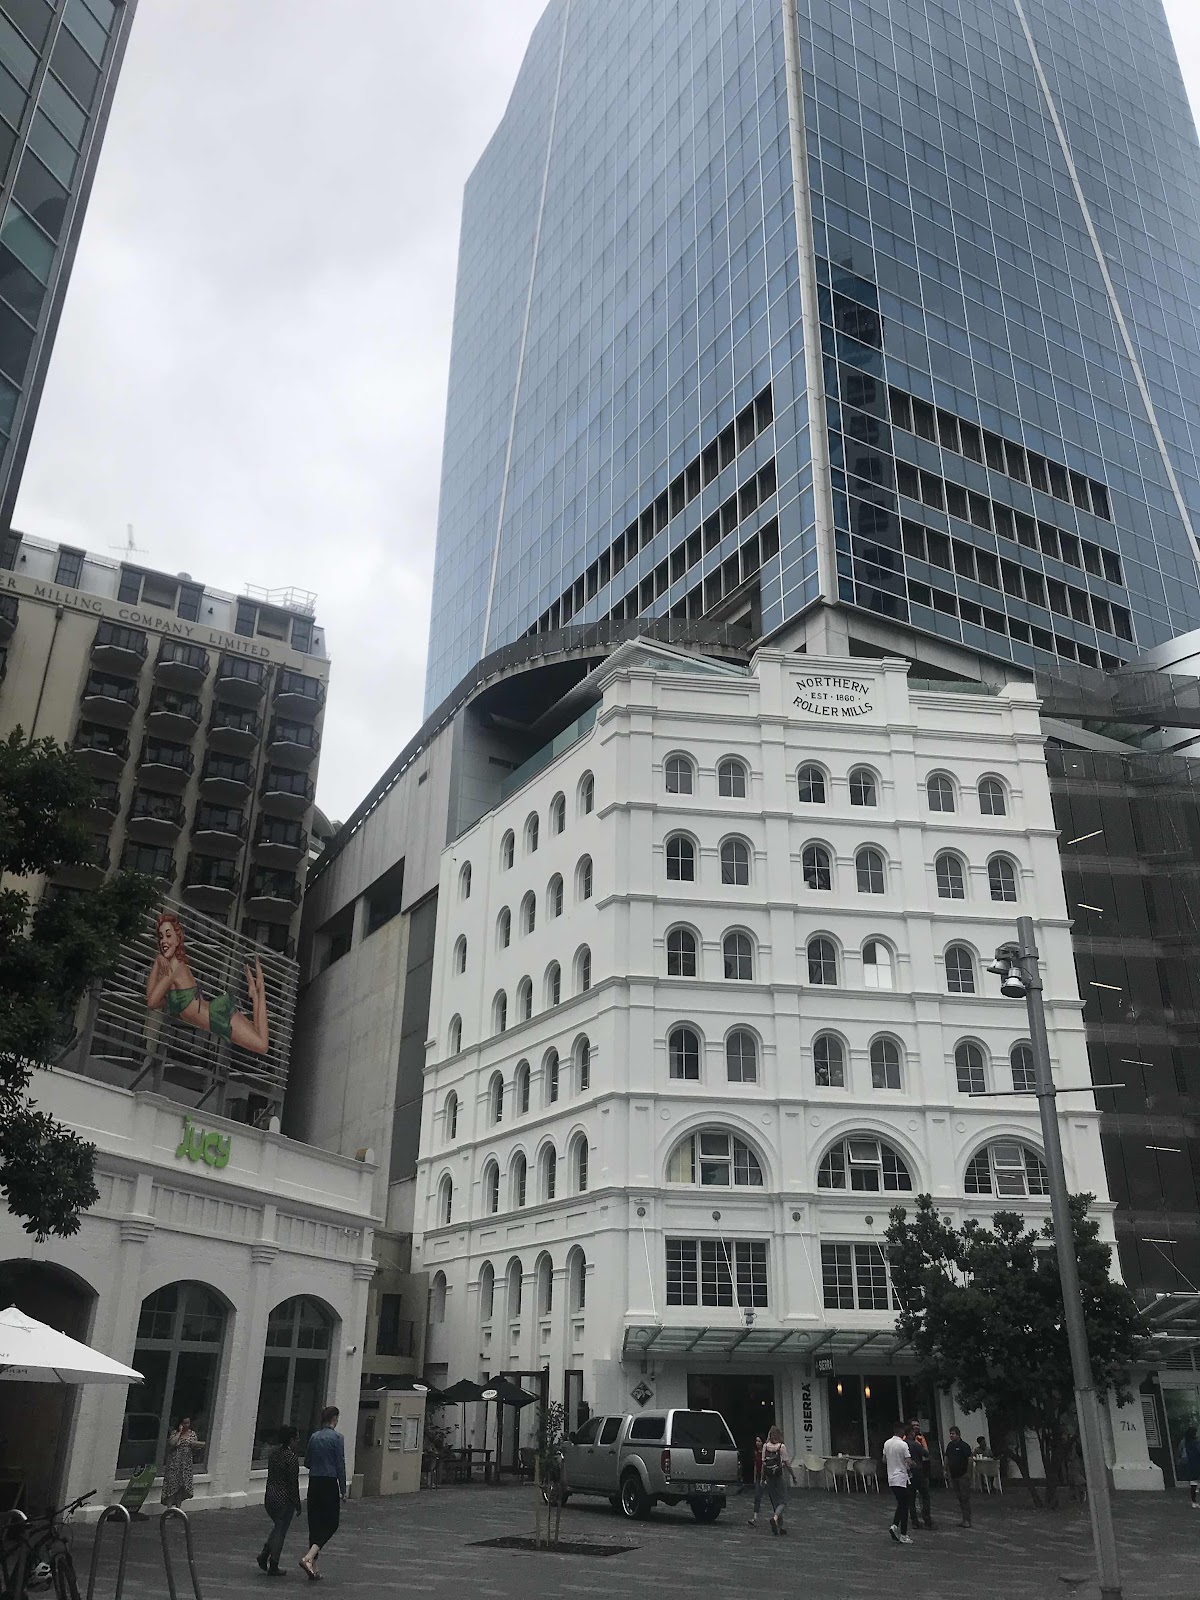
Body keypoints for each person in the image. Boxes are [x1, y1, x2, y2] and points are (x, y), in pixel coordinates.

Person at [147, 911, 270, 1055]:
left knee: (262, 1046)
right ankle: (255, 993)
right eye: (161, 936)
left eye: (168, 935)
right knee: (258, 1037)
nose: (163, 941)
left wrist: (159, 960)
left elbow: (151, 1002)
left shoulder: (176, 966)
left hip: (217, 1017)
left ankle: (259, 989)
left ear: (178, 939)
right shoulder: (172, 967)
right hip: (214, 1020)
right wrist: (157, 961)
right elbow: (151, 999)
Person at [301, 1406, 347, 1579]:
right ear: (334, 1418)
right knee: (332, 1523)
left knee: (315, 1523)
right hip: (329, 1482)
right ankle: (309, 1557)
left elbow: (307, 1462)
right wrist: (343, 1489)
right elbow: (340, 1464)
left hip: (314, 1482)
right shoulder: (337, 1438)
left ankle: (313, 1565)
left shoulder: (314, 1437)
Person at [258, 1426, 302, 1577]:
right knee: (281, 1531)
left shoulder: (274, 1454)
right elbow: (292, 1483)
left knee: (278, 1527)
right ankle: (273, 1562)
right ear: (291, 1440)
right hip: (283, 1498)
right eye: (296, 1439)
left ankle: (265, 1554)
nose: (298, 1442)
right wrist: (297, 1503)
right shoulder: (291, 1458)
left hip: (270, 1495)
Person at [760, 1425, 798, 1534]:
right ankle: (775, 1518)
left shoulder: (765, 1446)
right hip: (778, 1476)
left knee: (775, 1502)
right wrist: (793, 1476)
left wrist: (762, 1479)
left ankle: (780, 1527)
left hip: (769, 1478)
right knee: (783, 1501)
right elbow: (787, 1463)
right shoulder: (781, 1447)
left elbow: (763, 1464)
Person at [161, 1416, 203, 1508]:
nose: (187, 1425)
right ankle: (169, 1507)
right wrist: (179, 1432)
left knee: (182, 1486)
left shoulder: (192, 1434)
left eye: (188, 1423)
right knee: (172, 1484)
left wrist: (196, 1445)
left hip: (186, 1464)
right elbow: (172, 1443)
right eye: (185, 1423)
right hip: (174, 1463)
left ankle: (178, 1507)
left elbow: (196, 1447)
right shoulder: (174, 1433)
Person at [884, 1422, 913, 1545]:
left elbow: (884, 1459)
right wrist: (913, 1464)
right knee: (905, 1505)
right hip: (901, 1477)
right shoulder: (903, 1444)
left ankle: (895, 1525)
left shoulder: (887, 1443)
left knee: (901, 1503)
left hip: (891, 1477)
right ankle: (903, 1533)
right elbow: (908, 1461)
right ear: (901, 1431)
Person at [905, 1418, 933, 1529]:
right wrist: (921, 1444)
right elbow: (926, 1453)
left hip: (908, 1473)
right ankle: (927, 1520)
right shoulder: (915, 1443)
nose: (916, 1428)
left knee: (911, 1497)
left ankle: (914, 1521)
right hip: (918, 1471)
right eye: (914, 1427)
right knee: (924, 1495)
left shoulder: (903, 1443)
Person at [944, 1426, 973, 1528]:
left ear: (958, 1434)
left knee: (965, 1497)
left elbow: (970, 1459)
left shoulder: (964, 1446)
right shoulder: (950, 1446)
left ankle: (967, 1520)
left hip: (963, 1475)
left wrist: (968, 1473)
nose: (951, 1435)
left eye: (953, 1434)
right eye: (950, 1434)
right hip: (954, 1475)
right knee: (959, 1497)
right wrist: (945, 1469)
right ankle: (964, 1519)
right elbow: (947, 1458)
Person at [1179, 1425, 1200, 1508]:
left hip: (1190, 1464)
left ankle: (1194, 1501)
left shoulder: (1186, 1442)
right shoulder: (1196, 1442)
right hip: (1197, 1463)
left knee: (1193, 1483)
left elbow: (1180, 1450)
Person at [746, 1435, 765, 1525]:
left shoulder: (766, 1452)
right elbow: (755, 1465)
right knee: (757, 1496)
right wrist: (754, 1478)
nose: (757, 1443)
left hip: (766, 1476)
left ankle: (777, 1517)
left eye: (759, 1441)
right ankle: (755, 1517)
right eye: (756, 1441)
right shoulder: (756, 1452)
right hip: (758, 1476)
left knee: (773, 1497)